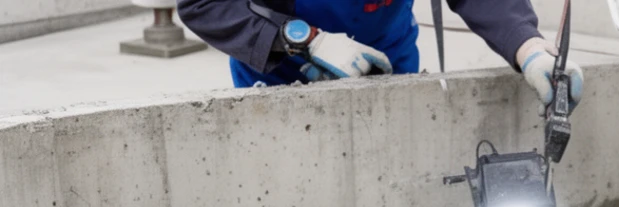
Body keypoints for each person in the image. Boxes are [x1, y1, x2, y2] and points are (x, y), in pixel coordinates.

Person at [177, 0, 584, 109]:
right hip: (280, 79)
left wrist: (527, 47)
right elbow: (203, 3)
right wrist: (304, 40)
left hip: (389, 71)